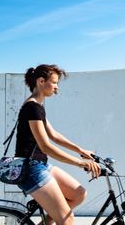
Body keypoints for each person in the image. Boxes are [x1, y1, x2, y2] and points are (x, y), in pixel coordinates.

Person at [15, 64, 101, 225]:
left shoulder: (37, 106)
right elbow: (46, 146)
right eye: (54, 82)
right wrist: (80, 163)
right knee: (68, 220)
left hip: (39, 164)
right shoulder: (32, 107)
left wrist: (80, 150)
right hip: (31, 168)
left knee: (79, 194)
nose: (56, 87)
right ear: (41, 81)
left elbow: (53, 135)